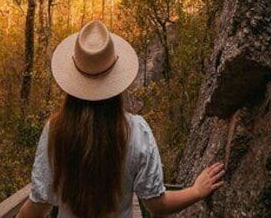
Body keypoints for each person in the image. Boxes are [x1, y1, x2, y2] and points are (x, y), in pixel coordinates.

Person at [17, 20, 225, 218]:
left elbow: (38, 205)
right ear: (115, 82)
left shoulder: (55, 131)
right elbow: (157, 205)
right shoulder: (136, 131)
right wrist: (196, 191)